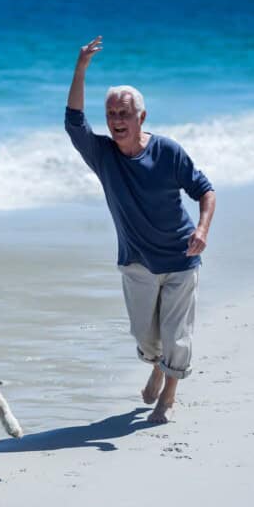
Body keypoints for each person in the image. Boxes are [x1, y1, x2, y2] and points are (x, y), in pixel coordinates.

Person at [65, 35, 216, 424]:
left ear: (141, 118)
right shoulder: (102, 156)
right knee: (145, 336)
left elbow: (206, 191)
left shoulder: (168, 152)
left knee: (177, 334)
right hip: (136, 262)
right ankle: (156, 364)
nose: (116, 120)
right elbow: (73, 122)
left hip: (182, 258)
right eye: (112, 113)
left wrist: (201, 230)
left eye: (124, 114)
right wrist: (81, 68)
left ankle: (168, 396)